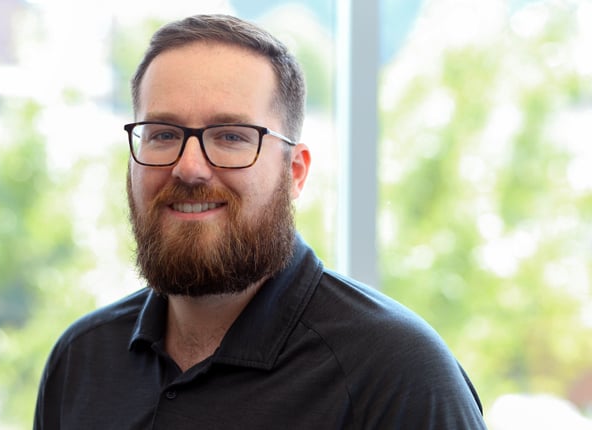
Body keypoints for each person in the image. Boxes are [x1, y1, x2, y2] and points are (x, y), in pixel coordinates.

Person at [33, 14, 487, 429]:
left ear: (295, 172)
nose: (189, 167)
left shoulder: (397, 374)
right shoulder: (80, 361)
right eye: (163, 135)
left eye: (231, 136)